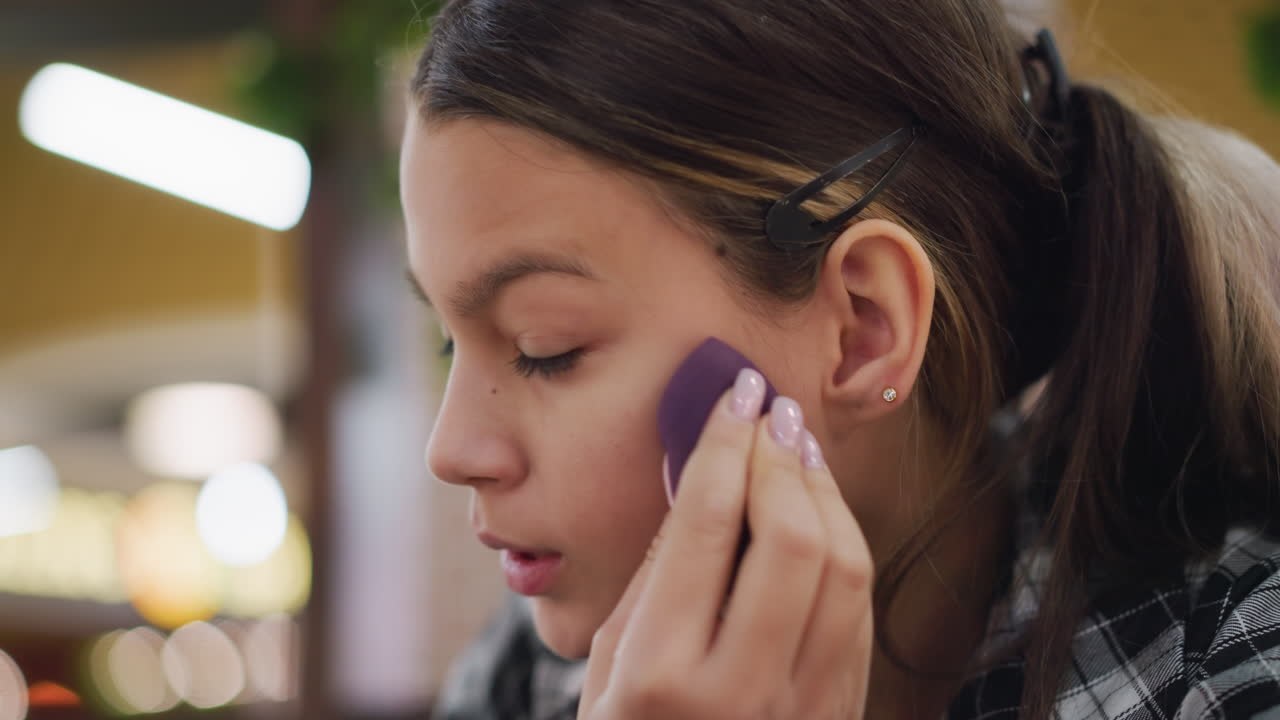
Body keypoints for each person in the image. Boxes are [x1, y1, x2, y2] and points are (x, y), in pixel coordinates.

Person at [398, 1, 1280, 717]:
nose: (450, 450)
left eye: (544, 347)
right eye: (449, 338)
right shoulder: (529, 674)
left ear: (863, 328)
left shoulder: (1227, 670)